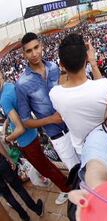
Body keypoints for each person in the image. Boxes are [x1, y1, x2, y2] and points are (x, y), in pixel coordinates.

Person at [0, 72, 71, 206]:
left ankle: (66, 188)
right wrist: (7, 125)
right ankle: (64, 183)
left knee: (45, 168)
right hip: (31, 134)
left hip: (26, 140)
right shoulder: (8, 86)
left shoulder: (4, 98)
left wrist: (7, 138)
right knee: (45, 165)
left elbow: (19, 128)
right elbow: (14, 114)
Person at [16, 32, 81, 177]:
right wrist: (51, 119)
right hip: (58, 136)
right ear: (24, 54)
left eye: (36, 47)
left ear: (42, 46)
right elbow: (26, 122)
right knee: (77, 174)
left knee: (89, 165)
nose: (34, 53)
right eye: (29, 50)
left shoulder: (53, 67)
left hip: (74, 126)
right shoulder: (21, 84)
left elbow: (63, 91)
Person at [49, 33, 107, 155]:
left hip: (83, 153)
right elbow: (102, 85)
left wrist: (63, 69)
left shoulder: (55, 94)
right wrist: (93, 62)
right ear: (86, 59)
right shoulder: (105, 86)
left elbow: (61, 86)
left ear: (61, 64)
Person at [0, 141, 44, 221]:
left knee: (7, 195)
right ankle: (36, 209)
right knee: (19, 189)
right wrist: (9, 159)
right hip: (1, 164)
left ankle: (24, 217)